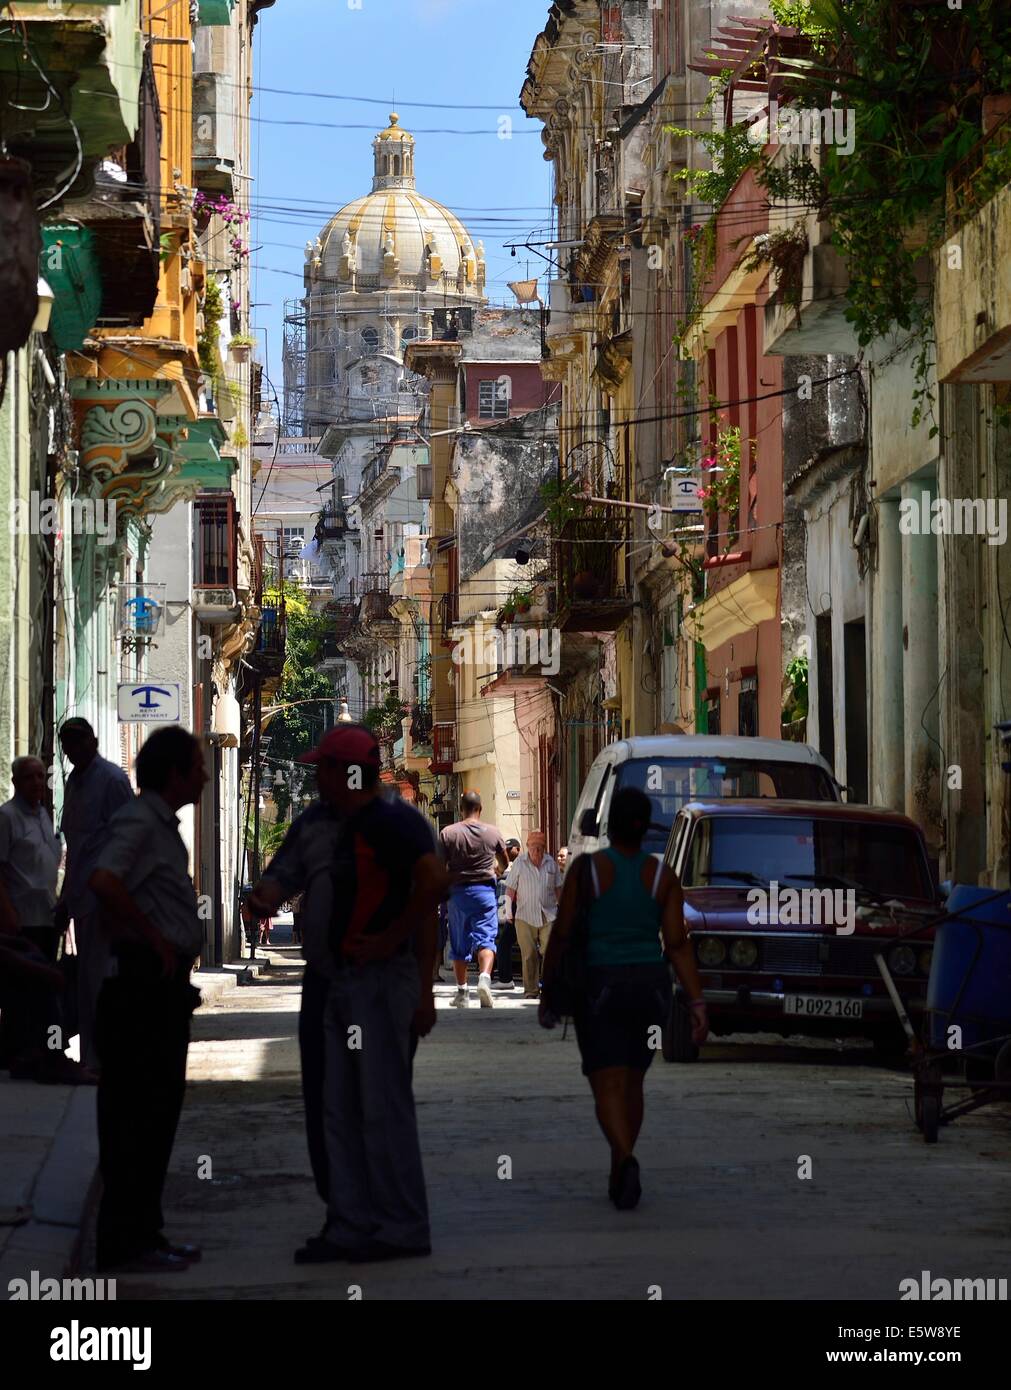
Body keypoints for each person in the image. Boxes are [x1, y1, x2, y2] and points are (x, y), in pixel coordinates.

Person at [292, 724, 448, 1265]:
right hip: (342, 983)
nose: (317, 777)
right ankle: (351, 1224)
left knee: (382, 1107)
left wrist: (391, 946)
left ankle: (400, 1225)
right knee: (340, 1108)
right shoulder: (337, 823)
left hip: (380, 985)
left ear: (345, 772)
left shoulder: (394, 823)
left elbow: (433, 887)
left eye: (325, 768)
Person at [540, 787, 708, 1211]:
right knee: (634, 1081)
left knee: (606, 1083)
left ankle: (625, 1157)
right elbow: (676, 943)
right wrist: (698, 1002)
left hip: (600, 988)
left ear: (610, 825)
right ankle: (620, 1163)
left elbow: (561, 932)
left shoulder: (587, 870)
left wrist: (548, 988)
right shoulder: (662, 876)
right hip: (651, 991)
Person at [88, 726, 208, 1274]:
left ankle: (145, 1233)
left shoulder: (161, 824)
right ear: (175, 773)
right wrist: (154, 940)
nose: (204, 774)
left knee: (156, 1115)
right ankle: (125, 1240)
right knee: (135, 1118)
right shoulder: (139, 820)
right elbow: (105, 880)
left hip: (160, 990)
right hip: (139, 989)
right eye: (197, 765)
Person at [245, 756, 346, 1208]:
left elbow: (273, 889)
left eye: (323, 770)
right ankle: (384, 1212)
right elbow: (432, 892)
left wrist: (259, 900)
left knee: (326, 1097)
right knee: (384, 1095)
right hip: (386, 984)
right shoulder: (402, 822)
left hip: (331, 985)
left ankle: (342, 1207)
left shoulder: (316, 825)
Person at [56, 718, 134, 1070]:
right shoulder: (74, 781)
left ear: (94, 741)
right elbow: (75, 845)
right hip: (80, 898)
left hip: (104, 899)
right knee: (86, 984)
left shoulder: (112, 780)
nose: (73, 751)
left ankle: (103, 1059)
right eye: (67, 744)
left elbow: (127, 841)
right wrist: (65, 898)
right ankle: (91, 1058)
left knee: (101, 982)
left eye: (78, 742)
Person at [439, 791, 508, 1009]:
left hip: (458, 893)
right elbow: (505, 862)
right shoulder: (492, 832)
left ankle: (462, 993)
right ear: (480, 808)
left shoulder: (448, 833)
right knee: (487, 939)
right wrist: (497, 871)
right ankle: (484, 980)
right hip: (485, 892)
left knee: (459, 945)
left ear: (461, 809)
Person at [0, 756, 64, 964]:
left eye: (40, 776)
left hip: (47, 916)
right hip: (22, 919)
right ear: (16, 782)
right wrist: (8, 913)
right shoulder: (7, 816)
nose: (37, 782)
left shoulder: (43, 814)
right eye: (29, 777)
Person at [504, 830, 562, 1000]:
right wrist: (508, 910)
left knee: (550, 952)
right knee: (529, 954)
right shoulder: (520, 863)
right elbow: (510, 889)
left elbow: (558, 889)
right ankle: (531, 991)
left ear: (544, 848)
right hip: (524, 915)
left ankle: (548, 988)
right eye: (533, 847)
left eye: (540, 848)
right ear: (528, 847)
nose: (536, 851)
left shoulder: (551, 863)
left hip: (548, 915)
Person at [494, 838, 521, 990]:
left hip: (522, 907)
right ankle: (505, 978)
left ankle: (506, 979)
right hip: (515, 907)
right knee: (505, 943)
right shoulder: (514, 866)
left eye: (510, 849)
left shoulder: (520, 864)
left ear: (518, 849)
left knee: (508, 943)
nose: (508, 852)